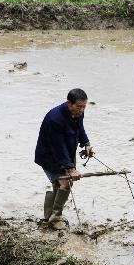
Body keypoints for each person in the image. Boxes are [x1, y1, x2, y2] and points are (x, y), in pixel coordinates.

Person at [34, 88, 95, 230]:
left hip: (66, 152)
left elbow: (80, 128)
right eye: (78, 106)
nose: (81, 110)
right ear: (69, 103)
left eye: (84, 106)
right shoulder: (55, 119)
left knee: (60, 183)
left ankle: (48, 216)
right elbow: (58, 147)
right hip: (50, 155)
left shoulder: (78, 112)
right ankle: (55, 219)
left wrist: (86, 144)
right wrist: (71, 168)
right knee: (65, 182)